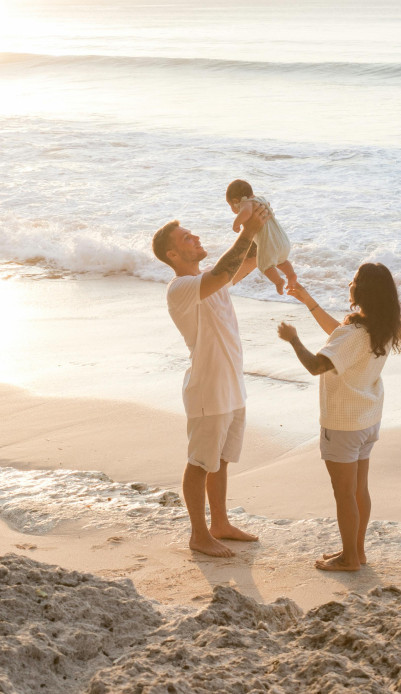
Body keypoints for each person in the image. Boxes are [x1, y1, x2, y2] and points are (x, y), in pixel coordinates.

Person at [152, 204, 268, 558]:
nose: (196, 237)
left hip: (231, 385)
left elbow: (252, 260)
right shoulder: (181, 288)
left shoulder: (210, 281)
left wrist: (260, 222)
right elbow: (223, 271)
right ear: (173, 254)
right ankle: (199, 534)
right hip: (207, 388)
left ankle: (220, 523)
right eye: (187, 238)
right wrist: (246, 234)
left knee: (220, 459)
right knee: (201, 462)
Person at [276, 263, 401, 571]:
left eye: (355, 280)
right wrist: (309, 301)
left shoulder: (353, 334)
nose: (350, 282)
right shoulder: (381, 327)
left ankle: (349, 559)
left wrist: (293, 339)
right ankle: (356, 551)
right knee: (359, 490)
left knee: (344, 494)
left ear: (361, 292)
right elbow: (340, 336)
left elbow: (317, 365)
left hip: (343, 424)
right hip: (367, 419)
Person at [225, 179, 298, 295]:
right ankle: (291, 274)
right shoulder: (261, 200)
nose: (232, 210)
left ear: (235, 201)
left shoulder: (246, 203)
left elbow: (246, 212)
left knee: (264, 265)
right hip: (282, 240)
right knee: (282, 261)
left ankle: (278, 281)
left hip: (270, 244)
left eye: (230, 206)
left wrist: (236, 223)